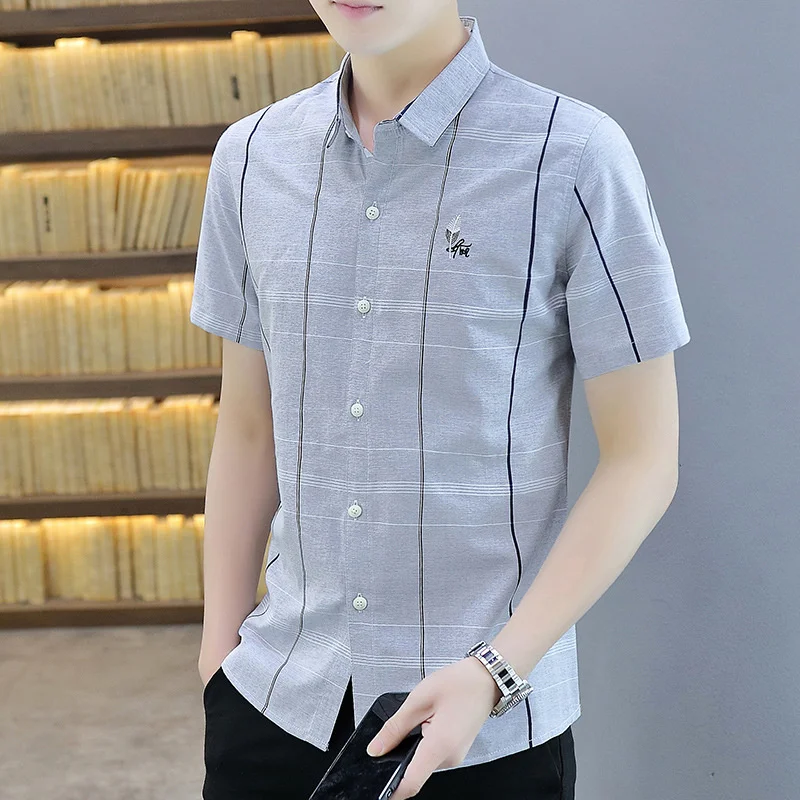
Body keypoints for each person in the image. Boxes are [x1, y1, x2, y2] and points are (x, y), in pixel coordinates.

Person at [190, 2, 691, 798]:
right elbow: (250, 428)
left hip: (486, 734)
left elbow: (644, 459)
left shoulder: (572, 155)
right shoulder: (250, 158)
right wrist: (219, 655)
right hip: (275, 706)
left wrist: (496, 671)